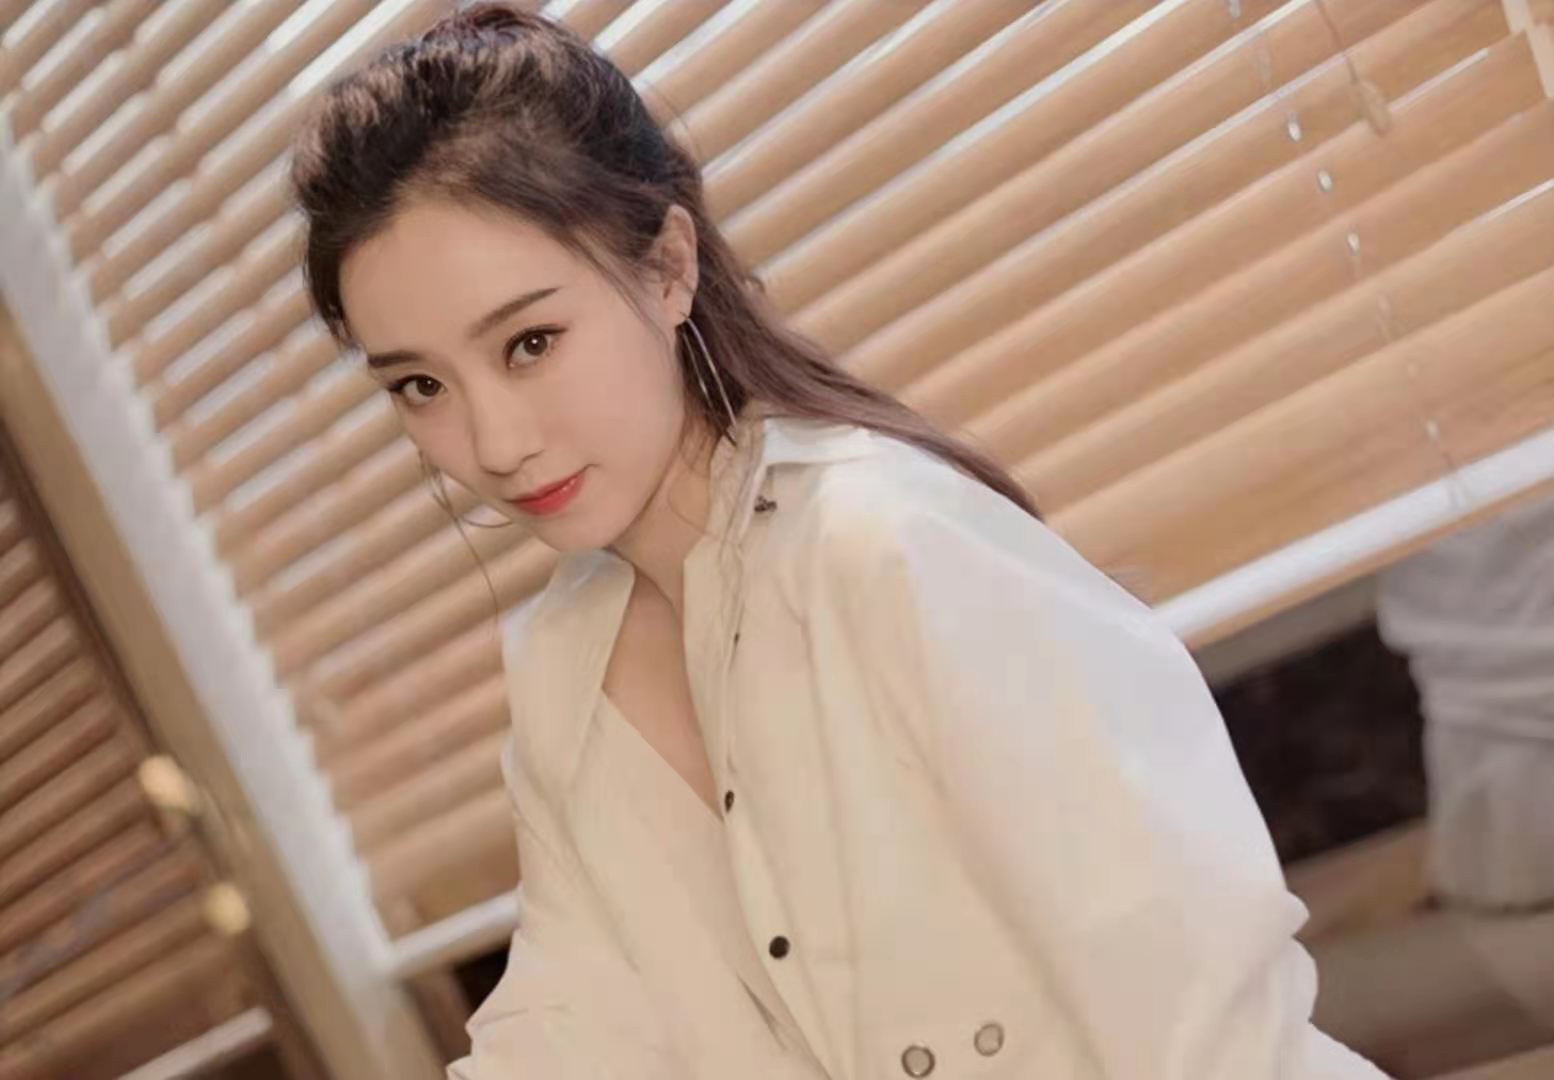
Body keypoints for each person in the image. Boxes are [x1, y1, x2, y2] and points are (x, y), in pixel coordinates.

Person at [289, 5, 1388, 1078]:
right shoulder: (562, 668)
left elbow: (1200, 1024)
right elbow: (571, 1029)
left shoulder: (887, 546)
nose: (492, 441)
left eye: (530, 342)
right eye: (421, 385)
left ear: (667, 268)